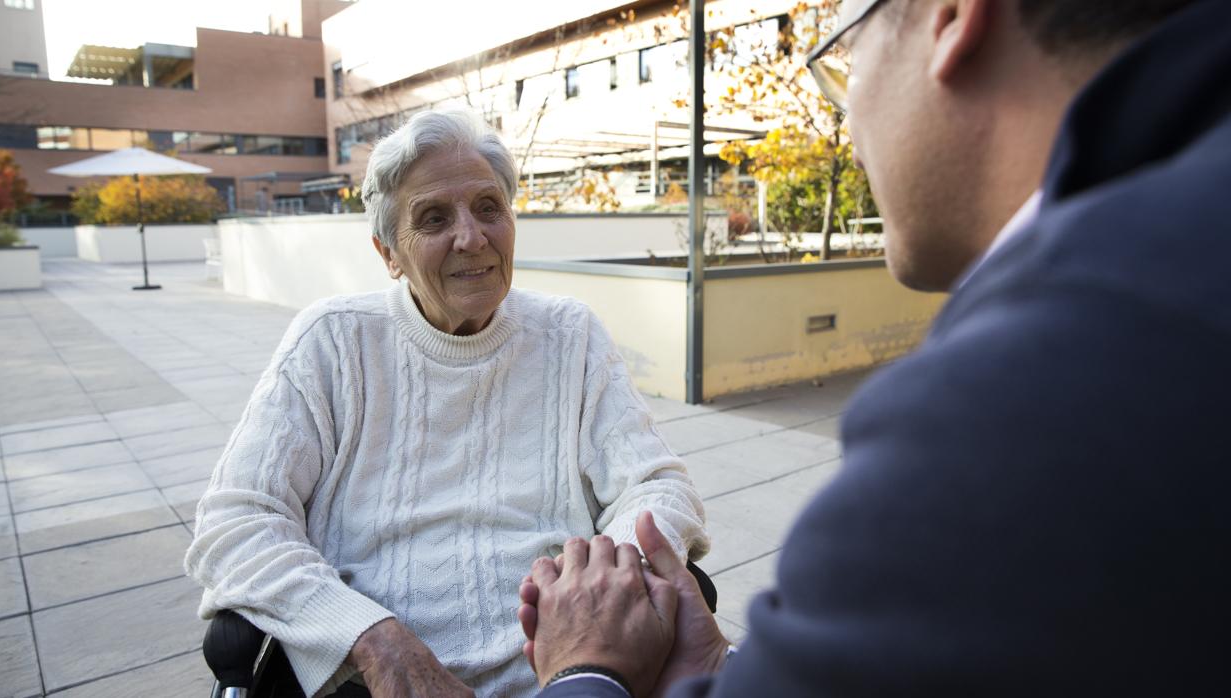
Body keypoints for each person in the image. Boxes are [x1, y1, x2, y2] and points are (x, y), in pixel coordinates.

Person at [520, 0, 1231, 695]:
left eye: (848, 59)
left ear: (950, 18)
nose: (848, 119)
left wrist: (584, 668)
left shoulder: (1027, 395)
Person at [184, 108, 709, 698]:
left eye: (489, 208)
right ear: (389, 253)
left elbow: (659, 484)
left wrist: (603, 595)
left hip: (567, 674)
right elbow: (236, 521)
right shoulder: (333, 341)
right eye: (433, 218)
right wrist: (374, 640)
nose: (472, 236)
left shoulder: (569, 334)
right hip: (371, 680)